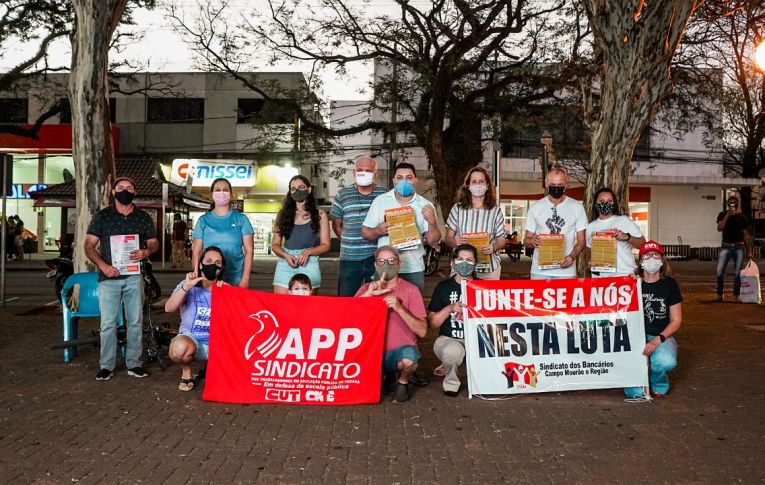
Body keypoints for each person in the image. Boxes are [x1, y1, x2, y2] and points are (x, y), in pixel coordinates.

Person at [84, 176, 159, 381]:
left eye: (129, 187)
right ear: (113, 191)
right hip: (109, 278)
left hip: (134, 277)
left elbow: (154, 244)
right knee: (108, 323)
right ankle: (106, 365)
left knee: (135, 321)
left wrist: (145, 252)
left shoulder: (143, 217)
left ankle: (134, 364)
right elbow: (89, 246)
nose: (124, 190)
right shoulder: (103, 217)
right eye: (120, 187)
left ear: (135, 192)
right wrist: (103, 266)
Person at [356, 246, 427, 403]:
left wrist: (399, 308)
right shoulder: (366, 289)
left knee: (410, 359)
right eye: (381, 261)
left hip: (399, 352)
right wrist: (369, 295)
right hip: (370, 353)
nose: (386, 265)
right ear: (375, 265)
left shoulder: (411, 290)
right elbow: (349, 318)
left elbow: (422, 331)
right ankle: (386, 376)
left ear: (399, 264)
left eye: (391, 261)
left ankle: (403, 381)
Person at [361, 162, 441, 294]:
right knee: (382, 309)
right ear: (393, 180)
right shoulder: (380, 201)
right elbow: (365, 233)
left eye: (409, 178)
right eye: (399, 177)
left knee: (412, 310)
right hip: (385, 268)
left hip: (413, 268)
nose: (404, 181)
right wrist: (378, 231)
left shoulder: (426, 205)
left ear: (415, 180)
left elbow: (433, 242)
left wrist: (432, 222)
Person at [625, 241, 682, 399]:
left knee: (665, 361)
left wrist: (658, 340)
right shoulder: (632, 284)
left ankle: (658, 381)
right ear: (641, 261)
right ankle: (639, 377)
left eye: (656, 255)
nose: (652, 258)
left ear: (662, 260)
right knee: (636, 394)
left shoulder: (669, 285)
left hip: (660, 335)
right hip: (635, 337)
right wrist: (627, 283)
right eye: (647, 255)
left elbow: (676, 320)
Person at [165, 246, 226, 391]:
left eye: (218, 263)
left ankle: (210, 365)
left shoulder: (226, 289)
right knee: (179, 349)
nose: (212, 265)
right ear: (200, 264)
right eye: (209, 260)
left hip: (217, 344)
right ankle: (186, 369)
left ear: (222, 268)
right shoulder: (189, 285)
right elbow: (168, 308)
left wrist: (229, 294)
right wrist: (186, 287)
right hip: (192, 340)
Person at [330, 154, 387, 296]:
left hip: (376, 257)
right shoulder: (342, 195)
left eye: (368, 171)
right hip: (349, 258)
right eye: (360, 170)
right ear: (354, 172)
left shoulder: (384, 195)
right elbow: (336, 225)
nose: (363, 173)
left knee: (376, 299)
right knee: (347, 301)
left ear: (376, 174)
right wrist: (350, 242)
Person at [427, 244, 478, 397]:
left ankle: (480, 382)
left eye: (469, 260)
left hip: (475, 339)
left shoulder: (482, 287)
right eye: (460, 259)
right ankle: (451, 382)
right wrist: (449, 308)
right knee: (452, 352)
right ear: (452, 262)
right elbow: (432, 323)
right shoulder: (443, 287)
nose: (464, 263)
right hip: (449, 339)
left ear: (475, 263)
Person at [523, 168, 587, 279]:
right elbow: (527, 240)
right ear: (546, 183)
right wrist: (532, 241)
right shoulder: (535, 208)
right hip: (539, 272)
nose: (556, 188)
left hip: (566, 272)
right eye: (553, 184)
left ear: (566, 184)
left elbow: (581, 240)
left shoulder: (577, 207)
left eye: (560, 184)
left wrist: (572, 256)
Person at [271, 175, 330, 294]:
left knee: (306, 307)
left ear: (309, 189)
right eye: (293, 188)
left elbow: (326, 245)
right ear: (290, 192)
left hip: (309, 262)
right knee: (281, 304)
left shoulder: (320, 215)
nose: (297, 191)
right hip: (286, 262)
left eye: (301, 187)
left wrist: (308, 252)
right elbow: (275, 245)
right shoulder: (282, 214)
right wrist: (285, 255)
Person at [444, 167, 506, 280]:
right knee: (461, 297)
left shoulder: (495, 210)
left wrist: (494, 246)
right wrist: (455, 241)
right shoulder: (457, 208)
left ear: (487, 185)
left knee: (487, 298)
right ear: (468, 185)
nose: (478, 185)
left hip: (489, 269)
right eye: (474, 181)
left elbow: (501, 239)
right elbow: (448, 238)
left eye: (481, 181)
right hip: (461, 267)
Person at [192, 178, 254, 288]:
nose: (222, 193)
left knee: (235, 305)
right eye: (218, 190)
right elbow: (197, 252)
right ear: (212, 195)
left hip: (236, 277)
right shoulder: (203, 221)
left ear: (231, 194)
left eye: (225, 190)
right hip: (210, 278)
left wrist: (245, 279)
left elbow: (249, 251)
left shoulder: (241, 219)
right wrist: (198, 275)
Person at [585, 187, 645, 277]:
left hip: (624, 274)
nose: (605, 203)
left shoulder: (623, 220)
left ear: (614, 204)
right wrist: (590, 262)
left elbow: (642, 244)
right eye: (601, 201)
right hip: (600, 276)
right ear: (595, 204)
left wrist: (627, 237)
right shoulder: (590, 227)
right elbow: (589, 250)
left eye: (609, 201)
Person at [715, 194, 753, 301]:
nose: (732, 204)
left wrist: (749, 251)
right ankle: (719, 294)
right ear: (727, 204)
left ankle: (736, 295)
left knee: (738, 272)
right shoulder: (722, 214)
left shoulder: (742, 217)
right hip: (725, 246)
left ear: (737, 204)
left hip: (738, 247)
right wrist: (727, 215)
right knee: (719, 271)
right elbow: (719, 228)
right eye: (730, 202)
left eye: (734, 202)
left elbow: (745, 234)